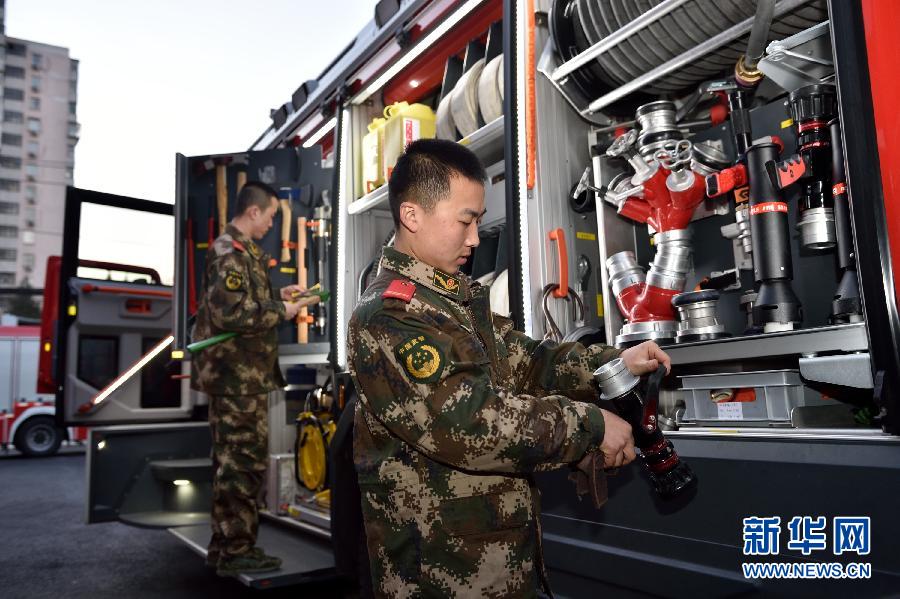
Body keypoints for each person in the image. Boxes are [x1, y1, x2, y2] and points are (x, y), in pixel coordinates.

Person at [347, 139, 672, 597]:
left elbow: (531, 361)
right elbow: (468, 423)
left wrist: (613, 362)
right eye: (465, 221)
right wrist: (590, 426)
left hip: (494, 564)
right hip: (440, 575)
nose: (475, 239)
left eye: (478, 221)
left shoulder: (450, 302)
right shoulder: (390, 315)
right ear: (412, 215)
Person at [191, 181, 319, 578]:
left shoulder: (240, 252)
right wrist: (284, 311)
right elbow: (232, 313)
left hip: (240, 378)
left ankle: (225, 547)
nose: (272, 225)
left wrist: (281, 296)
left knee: (233, 464)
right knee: (241, 465)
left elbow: (245, 300)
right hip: (237, 381)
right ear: (253, 212)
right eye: (271, 216)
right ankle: (236, 551)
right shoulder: (229, 251)